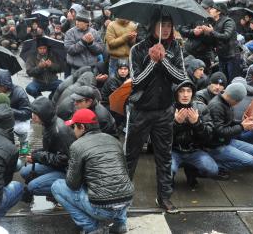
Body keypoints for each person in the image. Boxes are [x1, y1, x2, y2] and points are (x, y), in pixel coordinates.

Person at [125, 12, 186, 213]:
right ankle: (123, 196)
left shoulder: (175, 47)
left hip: (164, 111)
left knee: (164, 156)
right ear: (152, 26)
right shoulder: (138, 49)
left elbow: (181, 78)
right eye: (162, 25)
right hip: (140, 110)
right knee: (131, 155)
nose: (166, 29)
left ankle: (164, 197)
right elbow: (135, 82)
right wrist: (152, 61)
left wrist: (164, 60)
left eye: (169, 25)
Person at [51, 109, 134, 234]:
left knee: (57, 186)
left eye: (74, 126)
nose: (73, 130)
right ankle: (120, 223)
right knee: (118, 186)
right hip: (126, 201)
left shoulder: (77, 145)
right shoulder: (114, 141)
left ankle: (92, 228)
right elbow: (125, 173)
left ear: (82, 127)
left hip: (102, 209)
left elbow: (72, 184)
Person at [20, 97, 75, 203]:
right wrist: (35, 154)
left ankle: (62, 196)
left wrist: (38, 157)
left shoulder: (59, 131)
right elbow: (49, 149)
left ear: (43, 114)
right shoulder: (47, 124)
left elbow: (64, 159)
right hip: (56, 165)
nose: (33, 117)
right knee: (24, 172)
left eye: (35, 114)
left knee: (33, 186)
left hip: (67, 171)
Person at [207, 83, 253, 178]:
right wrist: (242, 127)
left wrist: (242, 123)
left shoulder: (226, 101)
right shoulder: (216, 106)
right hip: (216, 145)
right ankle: (214, 166)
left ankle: (218, 160)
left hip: (227, 140)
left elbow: (228, 121)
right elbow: (219, 131)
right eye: (238, 101)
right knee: (251, 161)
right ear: (233, 98)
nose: (238, 103)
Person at [171, 79, 216, 188]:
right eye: (181, 91)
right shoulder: (168, 108)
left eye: (188, 91)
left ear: (193, 92)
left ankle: (192, 171)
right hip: (173, 151)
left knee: (212, 170)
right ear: (176, 93)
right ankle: (169, 177)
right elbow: (158, 138)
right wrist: (176, 124)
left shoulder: (201, 107)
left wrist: (197, 124)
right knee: (167, 171)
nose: (185, 95)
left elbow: (209, 137)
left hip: (195, 151)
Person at [0, 69, 31, 154]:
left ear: (8, 84)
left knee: (22, 129)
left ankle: (24, 144)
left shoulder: (19, 92)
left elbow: (27, 113)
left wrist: (10, 111)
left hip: (16, 119)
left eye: (1, 85)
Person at [201, 3, 241, 82]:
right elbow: (212, 40)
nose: (210, 10)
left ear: (218, 12)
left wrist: (211, 32)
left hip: (232, 55)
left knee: (232, 80)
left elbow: (226, 36)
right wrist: (205, 33)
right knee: (223, 79)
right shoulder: (213, 22)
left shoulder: (228, 21)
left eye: (212, 9)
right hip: (221, 55)